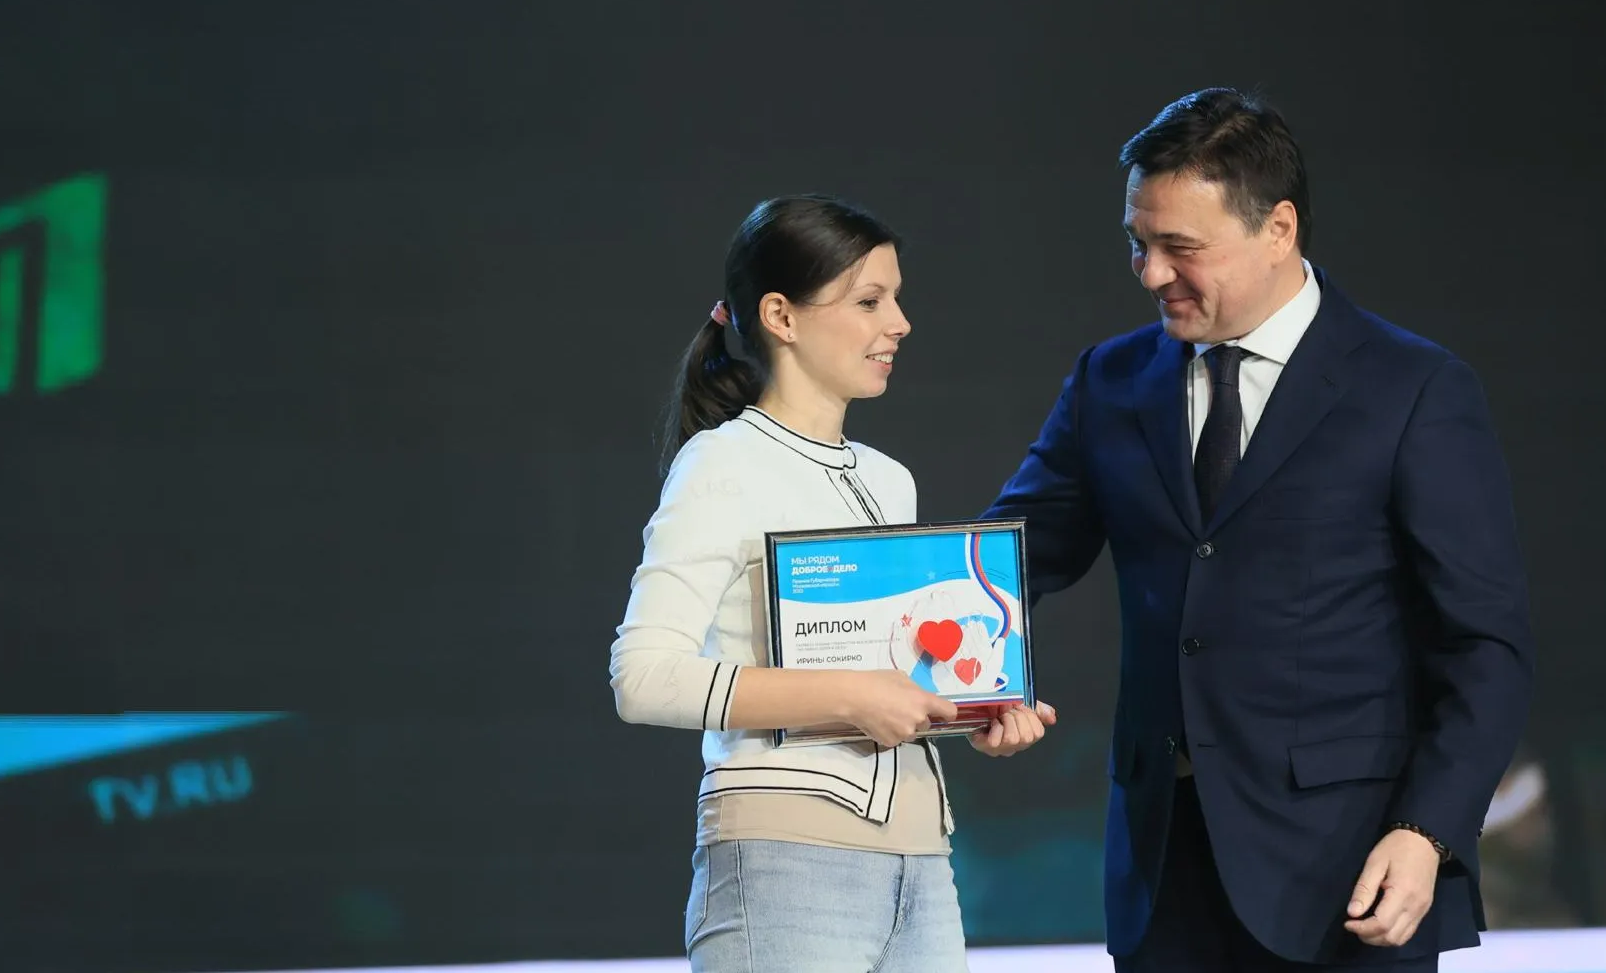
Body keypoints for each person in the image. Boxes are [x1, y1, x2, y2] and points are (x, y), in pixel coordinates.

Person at [983, 89, 1534, 972]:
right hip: (1164, 872)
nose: (1150, 273)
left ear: (1278, 229)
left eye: (1180, 247)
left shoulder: (1412, 389)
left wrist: (1428, 832)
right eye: (1138, 243)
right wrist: (946, 671)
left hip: (1352, 870)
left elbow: (1485, 645)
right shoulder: (1109, 382)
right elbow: (1005, 557)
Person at [611, 194, 1059, 973]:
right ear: (780, 316)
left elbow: (889, 677)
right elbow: (642, 677)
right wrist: (850, 696)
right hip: (784, 863)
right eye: (869, 301)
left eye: (896, 299)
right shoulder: (722, 463)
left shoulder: (889, 479)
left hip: (923, 865)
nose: (900, 324)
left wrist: (973, 710)